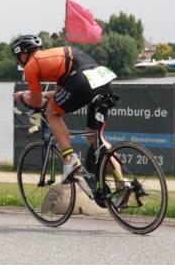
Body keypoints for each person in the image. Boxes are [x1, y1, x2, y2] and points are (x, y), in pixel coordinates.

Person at [10, 35, 117, 183]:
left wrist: (21, 97)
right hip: (102, 79)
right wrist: (42, 94)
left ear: (24, 53)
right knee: (94, 138)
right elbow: (59, 94)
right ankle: (122, 184)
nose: (19, 62)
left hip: (82, 81)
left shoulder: (31, 66)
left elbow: (35, 101)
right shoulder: (57, 55)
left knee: (51, 113)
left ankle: (69, 159)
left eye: (18, 57)